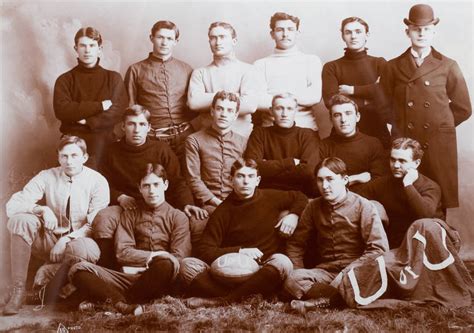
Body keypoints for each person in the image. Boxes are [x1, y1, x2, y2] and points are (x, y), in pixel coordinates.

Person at [180, 158, 308, 308]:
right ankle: (246, 296)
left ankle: (223, 300)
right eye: (240, 176)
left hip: (262, 271)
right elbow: (204, 249)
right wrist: (240, 251)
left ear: (257, 180)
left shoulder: (271, 197)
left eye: (250, 176)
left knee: (283, 262)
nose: (246, 181)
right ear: (231, 180)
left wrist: (293, 215)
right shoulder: (223, 211)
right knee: (187, 265)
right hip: (229, 272)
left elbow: (300, 197)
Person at [3, 136, 109, 315]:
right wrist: (41, 209)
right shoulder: (46, 176)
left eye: (75, 155)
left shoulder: (97, 181)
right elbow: (12, 206)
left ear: (84, 157)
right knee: (20, 220)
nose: (69, 161)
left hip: (79, 243)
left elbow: (94, 224)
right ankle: (18, 291)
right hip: (50, 240)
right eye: (64, 156)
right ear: (58, 157)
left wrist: (66, 240)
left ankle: (54, 286)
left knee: (85, 251)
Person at [379, 4, 472, 209]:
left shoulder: (448, 65)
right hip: (405, 142)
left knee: (437, 198)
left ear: (433, 32)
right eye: (416, 29)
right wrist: (400, 126)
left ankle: (438, 239)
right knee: (404, 194)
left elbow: (464, 108)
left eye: (426, 29)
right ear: (407, 32)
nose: (421, 33)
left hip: (437, 144)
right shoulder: (392, 66)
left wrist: (438, 127)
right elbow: (382, 105)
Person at [93, 105, 206, 269]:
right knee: (104, 217)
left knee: (198, 221)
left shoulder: (161, 149)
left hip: (158, 203)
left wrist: (187, 204)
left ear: (149, 127)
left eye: (141, 124)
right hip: (127, 206)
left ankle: (188, 272)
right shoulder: (111, 152)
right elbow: (102, 184)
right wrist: (120, 197)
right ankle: (109, 269)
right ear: (123, 127)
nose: (136, 130)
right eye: (131, 124)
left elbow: (177, 181)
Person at [70, 164, 191, 315]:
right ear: (139, 188)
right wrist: (152, 256)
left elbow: (178, 258)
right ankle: (125, 305)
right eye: (146, 186)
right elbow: (122, 252)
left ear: (165, 185)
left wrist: (155, 262)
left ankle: (116, 301)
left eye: (156, 185)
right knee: (79, 269)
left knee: (166, 264)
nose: (152, 191)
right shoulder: (130, 214)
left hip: (158, 278)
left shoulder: (178, 217)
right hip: (127, 277)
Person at [284, 157, 389, 310]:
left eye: (330, 179)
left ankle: (320, 302)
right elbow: (296, 244)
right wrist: (298, 269)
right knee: (293, 279)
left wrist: (346, 274)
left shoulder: (363, 206)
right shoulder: (313, 207)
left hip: (357, 271)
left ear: (345, 179)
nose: (325, 186)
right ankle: (337, 300)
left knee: (362, 281)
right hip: (326, 271)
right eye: (320, 180)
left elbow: (378, 249)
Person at [53, 27, 128, 169]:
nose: (87, 50)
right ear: (76, 48)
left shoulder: (113, 78)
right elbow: (62, 110)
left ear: (100, 49)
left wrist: (88, 121)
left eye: (92, 45)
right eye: (83, 45)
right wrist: (99, 106)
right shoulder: (65, 80)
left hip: (105, 142)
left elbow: (118, 110)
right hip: (73, 143)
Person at [125, 20, 195, 161]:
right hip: (153, 139)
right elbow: (130, 107)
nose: (164, 42)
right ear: (151, 38)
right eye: (160, 37)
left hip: (185, 138)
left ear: (176, 41)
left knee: (185, 180)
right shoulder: (135, 70)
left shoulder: (186, 69)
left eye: (169, 38)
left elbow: (193, 106)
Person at [184, 91, 247, 247]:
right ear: (212, 111)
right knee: (199, 232)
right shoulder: (194, 140)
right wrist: (217, 203)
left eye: (229, 110)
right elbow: (193, 178)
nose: (224, 114)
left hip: (239, 204)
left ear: (236, 114)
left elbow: (247, 176)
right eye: (220, 108)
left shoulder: (243, 142)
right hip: (208, 206)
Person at [356, 137, 444, 248]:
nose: (396, 165)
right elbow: (354, 198)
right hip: (394, 243)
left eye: (402, 161)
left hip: (425, 243)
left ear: (416, 163)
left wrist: (408, 184)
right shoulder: (382, 183)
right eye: (393, 160)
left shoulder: (431, 186)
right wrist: (376, 207)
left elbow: (425, 215)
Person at [322, 17, 390, 147]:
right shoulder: (332, 67)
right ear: (342, 35)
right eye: (348, 32)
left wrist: (352, 90)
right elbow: (330, 101)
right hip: (342, 135)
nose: (353, 36)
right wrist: (369, 99)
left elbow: (386, 95)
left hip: (377, 131)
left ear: (367, 34)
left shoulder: (379, 63)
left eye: (358, 31)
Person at [187, 22, 260, 137]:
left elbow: (250, 105)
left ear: (234, 41)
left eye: (222, 37)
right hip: (207, 138)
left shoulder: (248, 70)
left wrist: (207, 98)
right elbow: (194, 103)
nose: (218, 42)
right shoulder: (200, 72)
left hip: (241, 136)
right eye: (213, 38)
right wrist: (236, 96)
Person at [254, 12, 322, 132]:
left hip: (305, 130)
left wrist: (276, 98)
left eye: (290, 29)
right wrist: (296, 99)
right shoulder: (260, 64)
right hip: (270, 131)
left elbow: (314, 97)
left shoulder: (311, 61)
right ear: (272, 34)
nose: (285, 34)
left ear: (297, 33)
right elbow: (259, 100)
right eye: (280, 30)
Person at [244, 93, 320, 197]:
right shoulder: (259, 133)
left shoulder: (307, 135)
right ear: (271, 110)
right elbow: (252, 168)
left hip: (300, 196)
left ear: (295, 110)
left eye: (289, 108)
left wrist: (268, 168)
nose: (284, 114)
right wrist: (290, 163)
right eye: (279, 108)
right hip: (266, 196)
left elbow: (308, 172)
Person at [320, 94, 389, 192]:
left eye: (348, 113)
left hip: (368, 200)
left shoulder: (373, 144)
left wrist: (339, 184)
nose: (343, 120)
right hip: (334, 200)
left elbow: (380, 183)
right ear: (331, 120)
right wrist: (355, 178)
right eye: (337, 115)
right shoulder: (324, 145)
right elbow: (321, 184)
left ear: (357, 117)